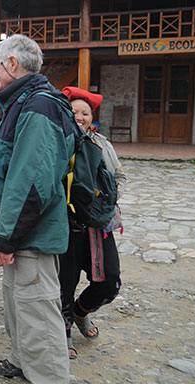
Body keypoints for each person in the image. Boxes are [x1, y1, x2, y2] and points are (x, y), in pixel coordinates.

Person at [0, 34, 74, 383]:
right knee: (20, 303)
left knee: (37, 310)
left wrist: (5, 237)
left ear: (12, 64)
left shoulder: (38, 107)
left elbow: (30, 182)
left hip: (30, 235)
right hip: (21, 234)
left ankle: (49, 376)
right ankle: (21, 360)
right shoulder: (22, 103)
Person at [59, 86, 126, 359]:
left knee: (110, 283)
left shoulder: (103, 144)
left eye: (85, 112)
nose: (80, 116)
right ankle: (62, 333)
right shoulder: (58, 141)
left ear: (91, 117)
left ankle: (80, 311)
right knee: (64, 283)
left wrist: (106, 198)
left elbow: (118, 176)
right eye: (74, 111)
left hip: (99, 226)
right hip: (67, 225)